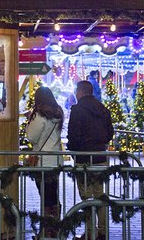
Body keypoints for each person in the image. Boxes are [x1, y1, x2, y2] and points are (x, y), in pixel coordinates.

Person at [67, 80, 114, 240]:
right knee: (100, 194)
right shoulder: (103, 109)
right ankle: (102, 231)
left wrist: (74, 153)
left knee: (86, 197)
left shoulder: (77, 110)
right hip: (101, 157)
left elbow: (73, 136)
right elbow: (110, 134)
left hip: (83, 158)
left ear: (80, 92)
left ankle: (89, 231)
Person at [26, 87, 64, 240]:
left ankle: (47, 231)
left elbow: (31, 137)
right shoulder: (58, 113)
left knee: (45, 195)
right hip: (55, 160)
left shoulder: (39, 114)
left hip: (42, 161)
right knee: (52, 194)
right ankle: (54, 228)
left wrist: (29, 122)